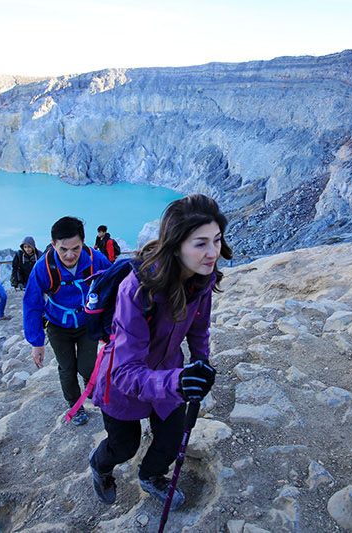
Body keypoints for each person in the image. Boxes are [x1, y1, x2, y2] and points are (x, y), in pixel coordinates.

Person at [89, 194, 232, 508]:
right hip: (124, 382)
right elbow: (125, 372)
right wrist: (178, 381)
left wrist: (201, 361)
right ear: (176, 244)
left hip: (169, 371)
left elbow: (198, 326)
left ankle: (151, 476)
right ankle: (100, 465)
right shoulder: (138, 289)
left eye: (217, 240)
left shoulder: (201, 279)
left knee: (172, 438)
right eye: (201, 243)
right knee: (123, 447)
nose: (213, 253)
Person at [23, 217, 112, 425]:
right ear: (53, 244)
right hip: (57, 326)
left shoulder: (94, 259)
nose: (70, 255)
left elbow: (114, 281)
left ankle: (91, 391)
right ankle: (75, 405)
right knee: (67, 368)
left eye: (76, 248)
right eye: (63, 249)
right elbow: (32, 304)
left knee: (87, 366)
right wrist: (36, 343)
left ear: (83, 243)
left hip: (85, 322)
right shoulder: (43, 268)